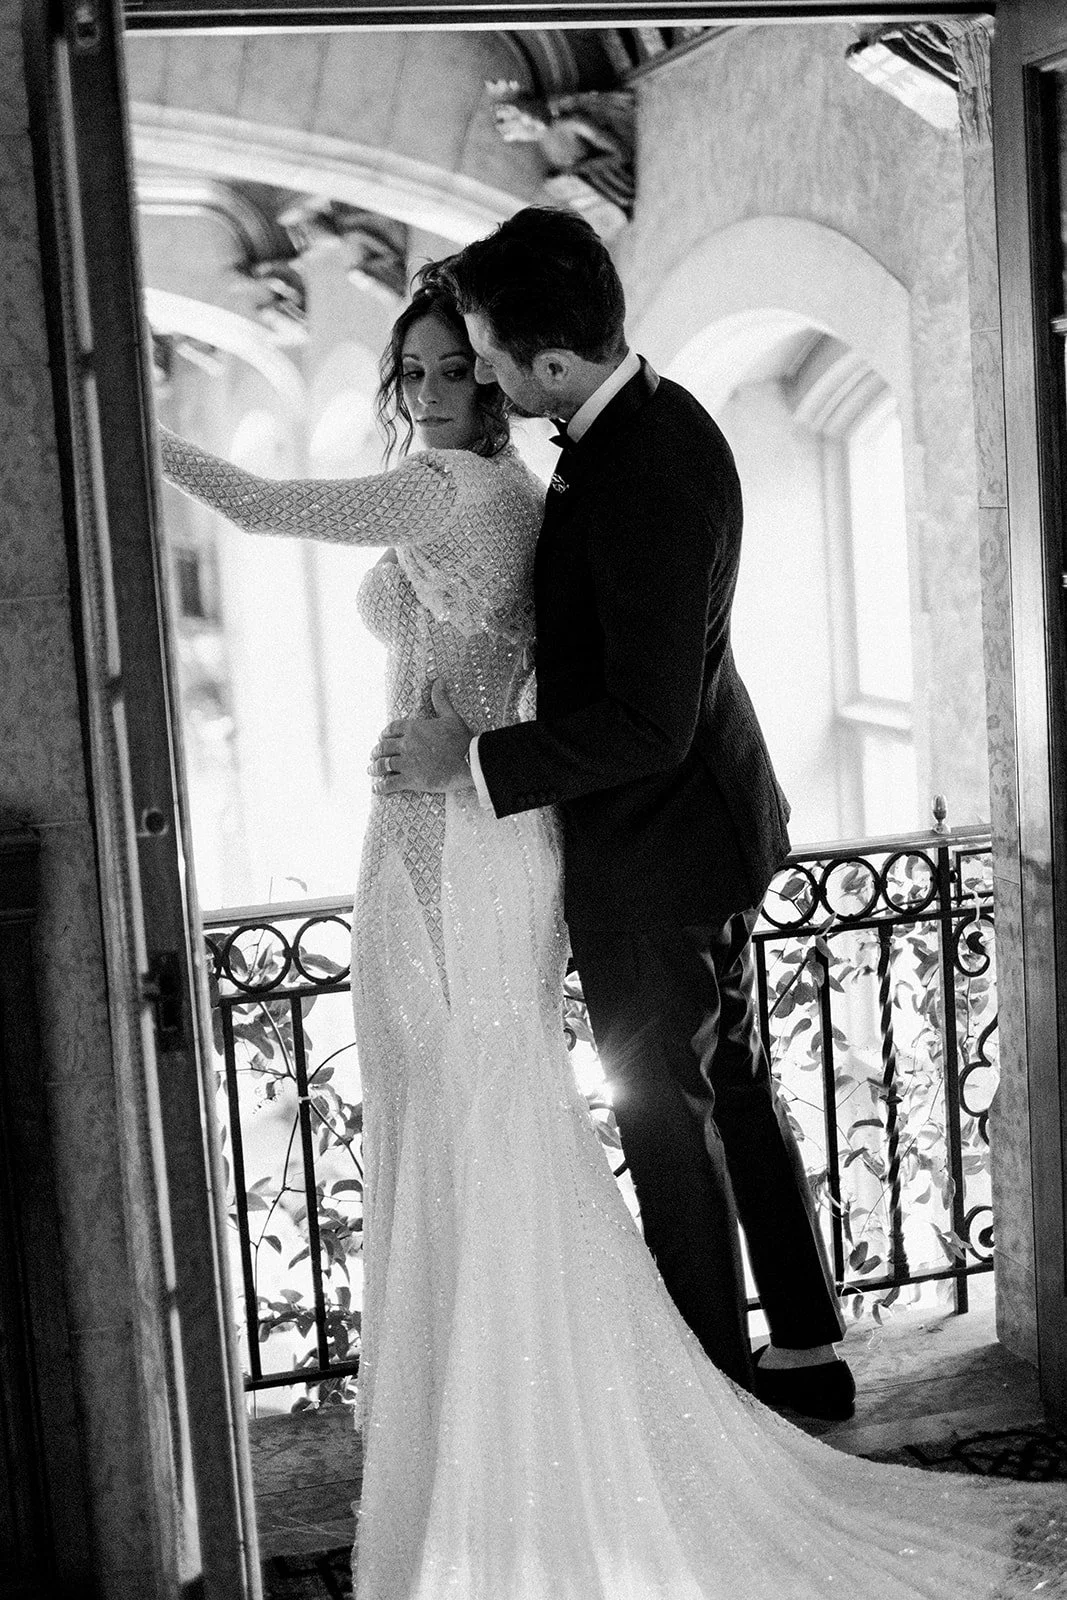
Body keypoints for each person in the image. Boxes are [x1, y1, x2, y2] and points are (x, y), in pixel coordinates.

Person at [159, 266, 1066, 1600]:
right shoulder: (538, 490)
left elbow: (254, 500)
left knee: (546, 1117)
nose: (429, 392)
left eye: (455, 369)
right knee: (599, 1101)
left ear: (503, 370)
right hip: (499, 830)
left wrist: (107, 401)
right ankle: (769, 1351)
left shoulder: (462, 493)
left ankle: (609, 1412)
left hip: (464, 839)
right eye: (411, 371)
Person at [373, 206, 847, 1414]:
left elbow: (647, 719)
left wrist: (473, 760)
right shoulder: (656, 415)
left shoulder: (636, 472)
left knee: (669, 1122)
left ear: (545, 364)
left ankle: (717, 1400)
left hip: (655, 853)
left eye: (480, 346)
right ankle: (804, 1346)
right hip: (711, 829)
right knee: (734, 1088)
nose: (469, 366)